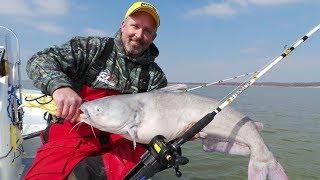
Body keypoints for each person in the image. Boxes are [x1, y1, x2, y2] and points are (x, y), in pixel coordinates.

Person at [24, 2, 167, 180]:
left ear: (153, 37)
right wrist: (60, 87)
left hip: (125, 142)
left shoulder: (155, 77)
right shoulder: (92, 48)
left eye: (147, 31)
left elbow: (161, 119)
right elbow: (40, 60)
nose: (139, 35)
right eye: (135, 26)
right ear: (123, 26)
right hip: (74, 133)